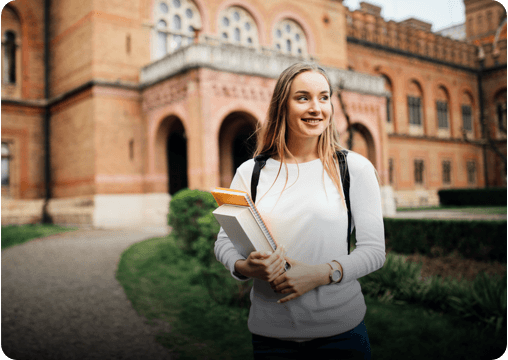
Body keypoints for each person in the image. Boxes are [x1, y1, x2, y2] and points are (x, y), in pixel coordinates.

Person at [214, 62, 385, 360]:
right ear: (282, 106)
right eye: (303, 97)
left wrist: (321, 274)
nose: (316, 108)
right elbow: (224, 242)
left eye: (324, 97)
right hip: (271, 337)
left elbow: (374, 251)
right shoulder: (250, 172)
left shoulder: (354, 169)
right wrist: (244, 268)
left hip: (341, 334)